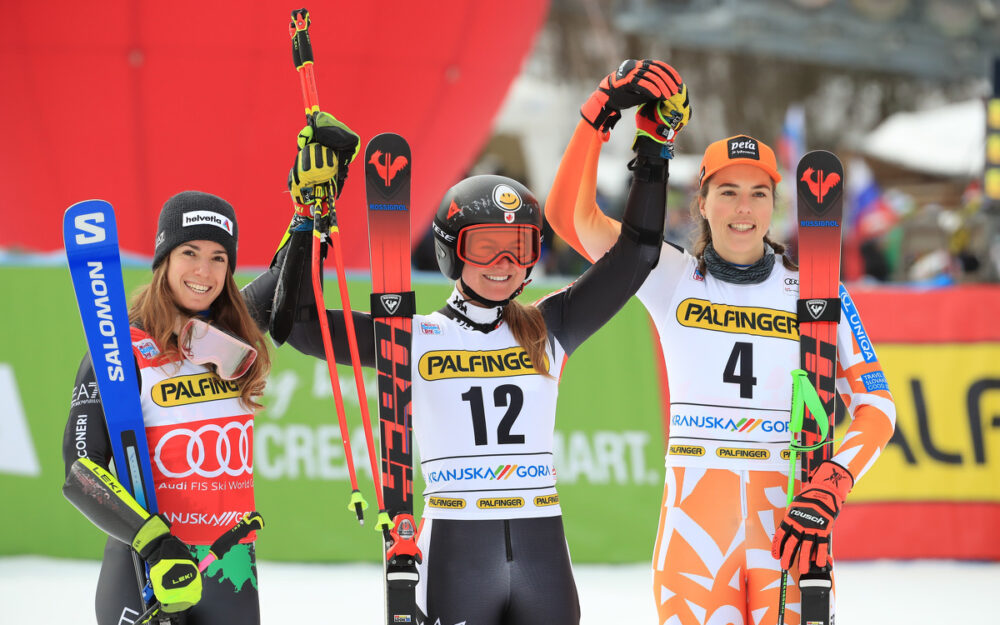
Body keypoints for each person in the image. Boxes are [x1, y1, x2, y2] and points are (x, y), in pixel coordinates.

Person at [276, 59, 688, 625]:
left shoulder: (550, 327)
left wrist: (649, 144)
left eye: (519, 249)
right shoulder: (414, 336)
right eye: (485, 247)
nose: (503, 264)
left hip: (542, 547)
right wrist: (309, 219)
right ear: (450, 253)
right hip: (454, 550)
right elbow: (299, 325)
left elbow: (637, 255)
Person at [545, 89, 897, 624]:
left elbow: (877, 407)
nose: (742, 208)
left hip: (789, 519)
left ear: (776, 204)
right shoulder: (669, 276)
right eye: (727, 191)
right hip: (694, 527)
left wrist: (832, 483)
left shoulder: (818, 291)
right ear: (701, 203)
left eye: (759, 193)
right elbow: (570, 217)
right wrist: (597, 117)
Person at [60, 116, 361, 625]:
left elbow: (289, 282)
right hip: (147, 566)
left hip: (231, 565)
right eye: (190, 253)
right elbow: (78, 471)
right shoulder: (119, 349)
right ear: (164, 259)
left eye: (219, 258)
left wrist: (311, 211)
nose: (204, 271)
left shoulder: (233, 335)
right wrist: (154, 544)